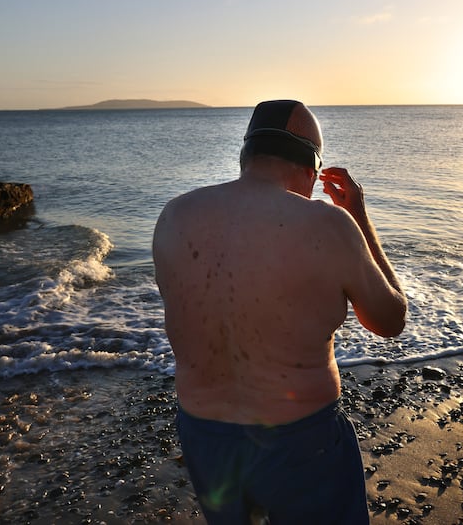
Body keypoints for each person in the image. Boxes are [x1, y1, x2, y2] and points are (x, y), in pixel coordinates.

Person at [152, 99, 407, 524]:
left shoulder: (175, 215)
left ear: (247, 155)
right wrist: (358, 217)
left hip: (204, 434)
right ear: (311, 166)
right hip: (301, 440)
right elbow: (390, 319)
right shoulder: (327, 224)